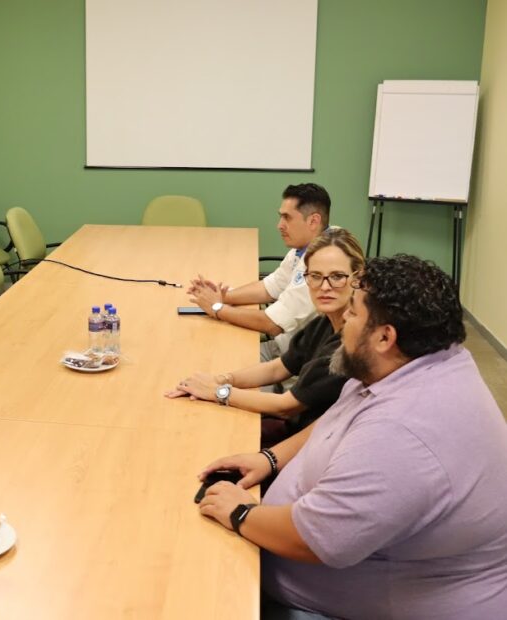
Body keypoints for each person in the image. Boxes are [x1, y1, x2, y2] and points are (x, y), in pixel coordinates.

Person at [196, 255, 507, 619]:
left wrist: (240, 513)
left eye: (353, 312)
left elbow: (315, 539)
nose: (342, 318)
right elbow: (338, 419)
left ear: (384, 337)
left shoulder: (403, 435)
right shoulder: (416, 362)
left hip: (328, 595)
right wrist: (270, 459)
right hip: (310, 548)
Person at [166, 228, 364, 444]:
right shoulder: (325, 322)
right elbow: (278, 368)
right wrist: (221, 379)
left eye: (337, 277)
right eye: (315, 276)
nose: (324, 287)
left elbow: (286, 406)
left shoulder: (349, 343)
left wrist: (218, 392)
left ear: (358, 277)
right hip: (299, 432)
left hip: (312, 445)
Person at [189, 183, 330, 360]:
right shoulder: (310, 245)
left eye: (287, 218)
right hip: (285, 346)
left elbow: (272, 324)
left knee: (216, 356)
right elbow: (269, 287)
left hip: (292, 358)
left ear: (313, 221)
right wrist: (223, 296)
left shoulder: (323, 264)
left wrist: (217, 308)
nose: (280, 225)